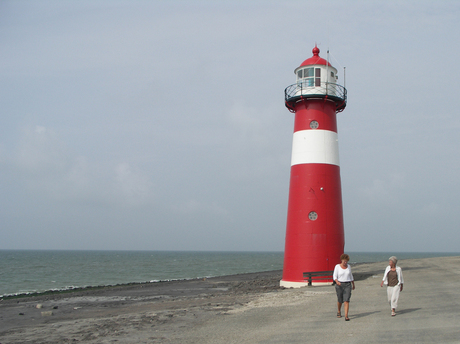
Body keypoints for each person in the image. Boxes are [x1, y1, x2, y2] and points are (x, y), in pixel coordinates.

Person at [333, 253, 355, 321]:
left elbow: (350, 275)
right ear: (341, 260)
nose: (345, 262)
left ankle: (346, 315)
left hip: (348, 284)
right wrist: (337, 282)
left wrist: (353, 284)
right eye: (344, 261)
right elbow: (334, 276)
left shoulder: (349, 266)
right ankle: (339, 311)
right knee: (340, 299)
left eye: (346, 261)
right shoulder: (337, 266)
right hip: (339, 284)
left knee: (346, 300)